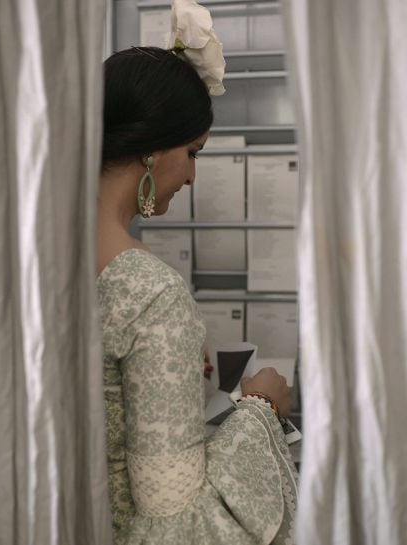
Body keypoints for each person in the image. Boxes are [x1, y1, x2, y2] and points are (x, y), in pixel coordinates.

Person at [97, 43, 298, 545]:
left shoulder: (37, 268)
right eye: (192, 153)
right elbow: (177, 518)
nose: (190, 176)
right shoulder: (150, 293)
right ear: (151, 148)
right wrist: (261, 408)